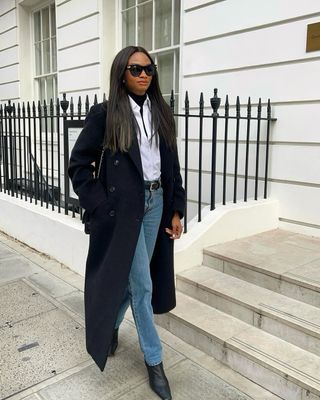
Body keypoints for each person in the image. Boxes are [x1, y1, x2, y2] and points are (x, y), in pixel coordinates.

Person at [68, 45, 185, 400]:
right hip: (123, 211)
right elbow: (78, 165)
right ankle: (155, 361)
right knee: (143, 285)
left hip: (156, 204)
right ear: (122, 73)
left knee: (134, 283)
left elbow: (171, 166)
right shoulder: (105, 114)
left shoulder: (161, 112)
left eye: (149, 69)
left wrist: (176, 209)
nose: (144, 75)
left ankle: (111, 327)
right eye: (136, 69)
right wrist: (101, 206)